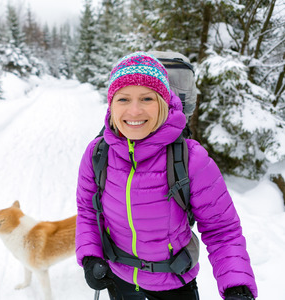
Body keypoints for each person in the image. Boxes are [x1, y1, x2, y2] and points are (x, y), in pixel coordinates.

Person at [75, 52, 258, 300]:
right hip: (119, 278)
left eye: (147, 98)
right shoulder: (97, 154)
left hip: (174, 283)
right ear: (111, 104)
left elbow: (222, 230)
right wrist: (91, 256)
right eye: (123, 99)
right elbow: (88, 210)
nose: (135, 110)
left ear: (163, 101)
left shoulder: (191, 158)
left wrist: (237, 286)